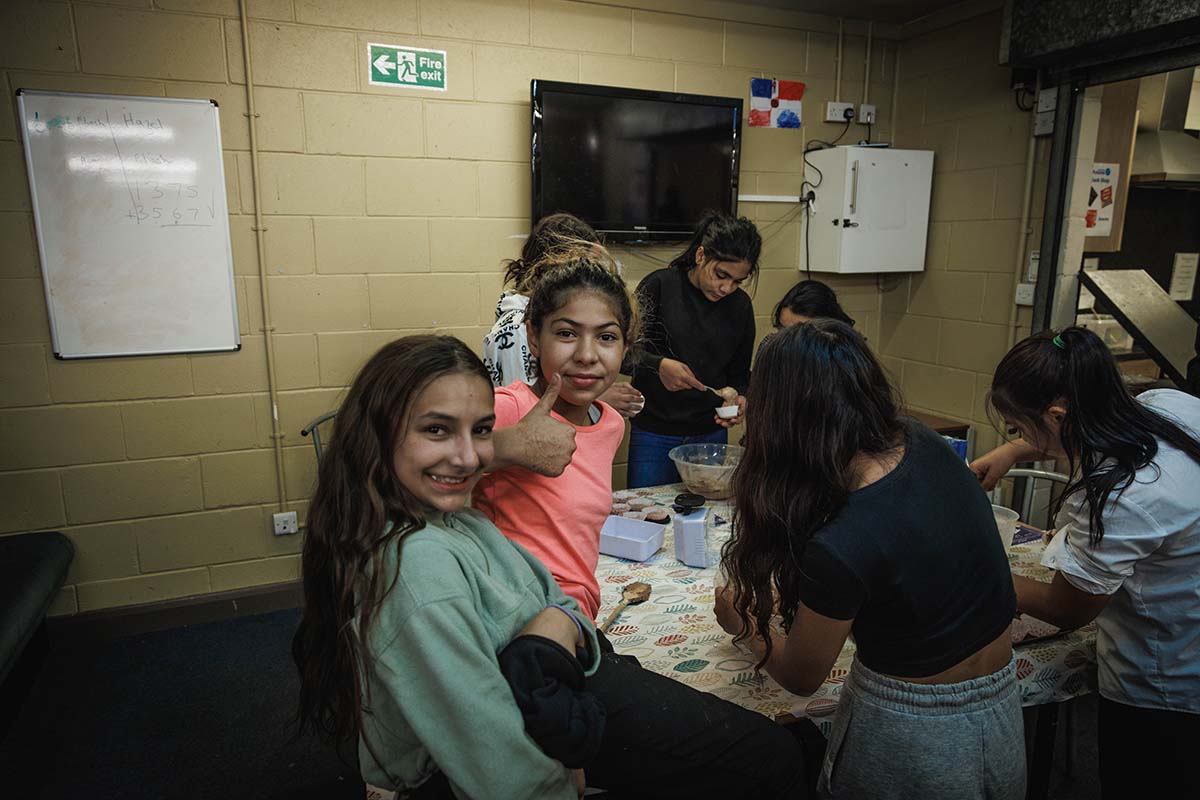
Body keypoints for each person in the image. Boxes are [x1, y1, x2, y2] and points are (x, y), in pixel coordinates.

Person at [473, 246, 822, 797]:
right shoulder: (509, 408)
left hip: (576, 626)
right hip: (520, 638)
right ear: (535, 336)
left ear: (625, 348)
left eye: (606, 338)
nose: (587, 355)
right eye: (566, 334)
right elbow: (391, 459)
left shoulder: (607, 421)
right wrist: (504, 447)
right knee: (771, 756)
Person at [717, 319, 1025, 800]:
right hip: (1001, 710)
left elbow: (802, 676)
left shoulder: (842, 542)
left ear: (782, 418)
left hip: (909, 738)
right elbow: (904, 568)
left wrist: (743, 622)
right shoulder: (921, 441)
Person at [292, 335, 600, 798]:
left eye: (481, 430)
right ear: (376, 434)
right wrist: (564, 782)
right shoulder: (416, 568)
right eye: (436, 430)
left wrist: (551, 626)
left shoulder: (458, 519)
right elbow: (500, 766)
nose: (468, 457)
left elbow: (560, 602)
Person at [970, 326, 1200, 800]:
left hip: (1169, 683)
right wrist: (1017, 449)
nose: (1018, 436)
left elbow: (1068, 608)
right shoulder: (1165, 404)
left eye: (1018, 426)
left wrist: (974, 571)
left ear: (1057, 415)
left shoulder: (1118, 497)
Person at [625, 211, 761, 488]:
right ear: (701, 256)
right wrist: (659, 365)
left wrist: (740, 399)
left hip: (709, 435)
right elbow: (622, 355)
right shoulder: (660, 286)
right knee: (648, 518)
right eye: (721, 274)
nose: (726, 288)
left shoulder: (740, 306)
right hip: (655, 432)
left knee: (708, 516)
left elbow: (738, 375)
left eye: (737, 281)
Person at [481, 212, 643, 416]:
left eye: (606, 337)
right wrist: (597, 397)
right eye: (566, 333)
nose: (590, 273)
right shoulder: (515, 327)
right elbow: (523, 408)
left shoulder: (612, 426)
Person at [772, 279, 855, 328]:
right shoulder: (771, 346)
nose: (785, 341)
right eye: (782, 329)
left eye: (797, 334)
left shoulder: (846, 354)